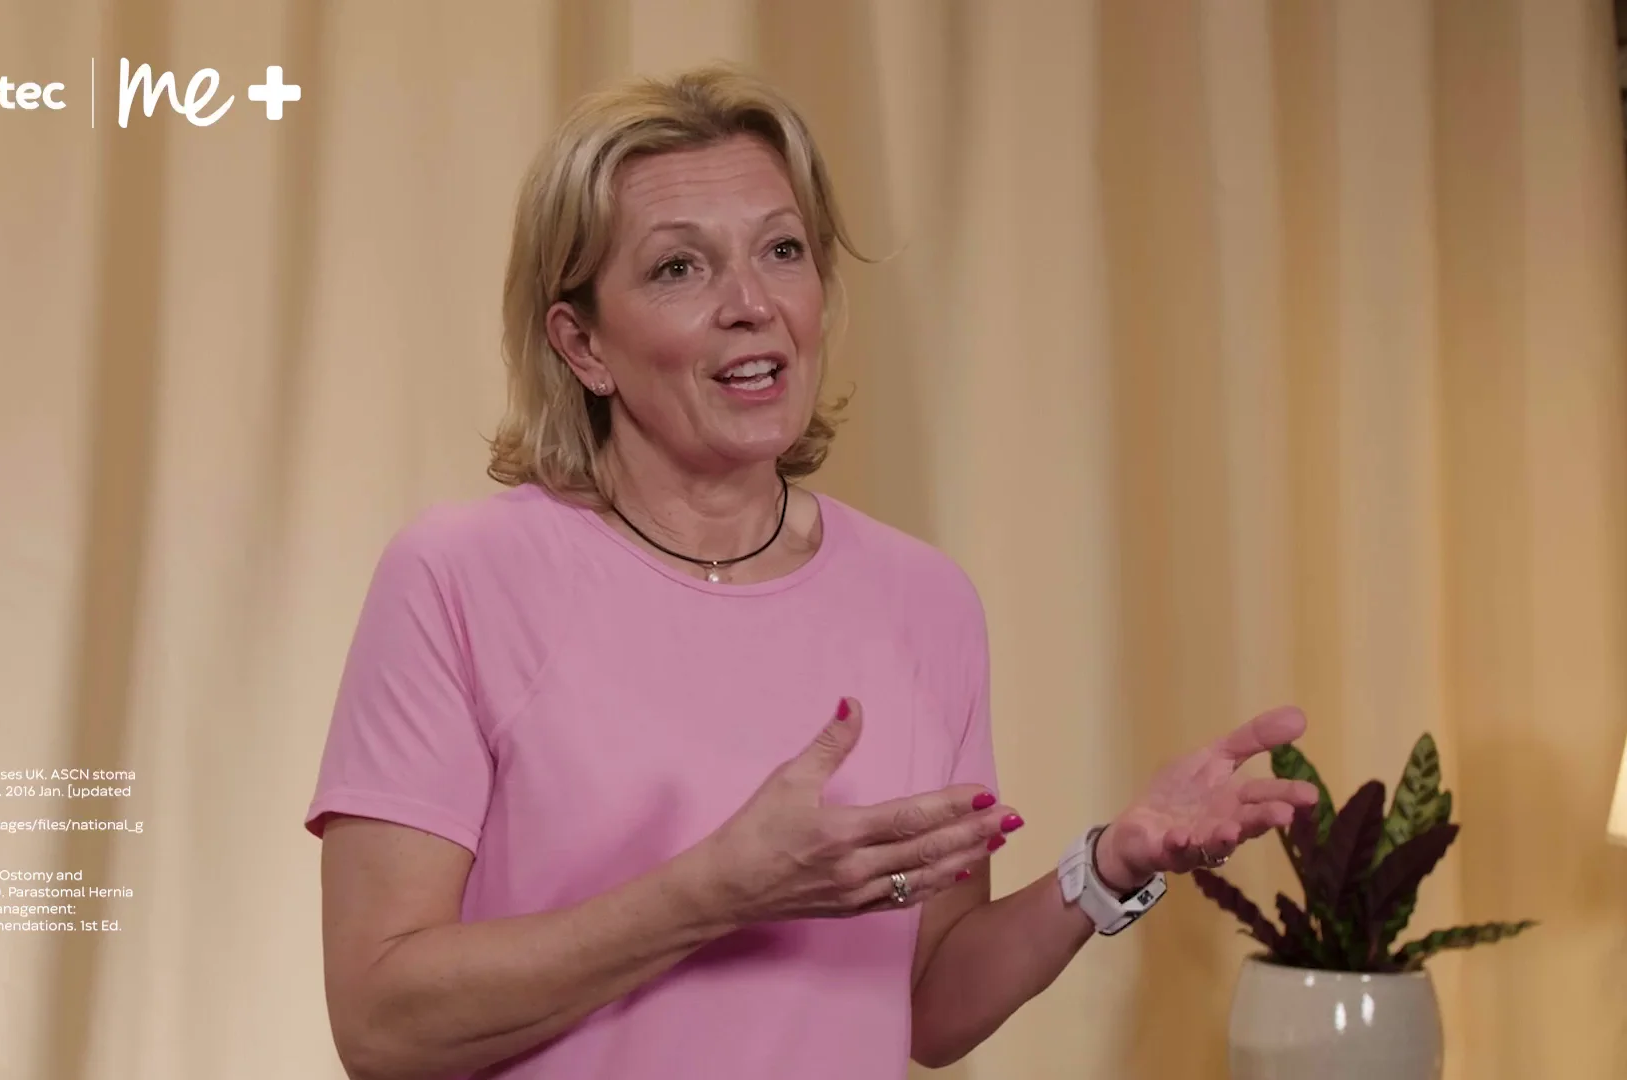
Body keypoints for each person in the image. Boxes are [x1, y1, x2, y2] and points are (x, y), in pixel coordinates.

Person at [303, 63, 1318, 1080]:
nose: (752, 303)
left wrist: (1106, 870)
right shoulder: (459, 578)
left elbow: (926, 1005)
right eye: (678, 269)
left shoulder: (924, 601)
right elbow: (384, 1025)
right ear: (582, 344)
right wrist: (713, 892)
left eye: (782, 251)